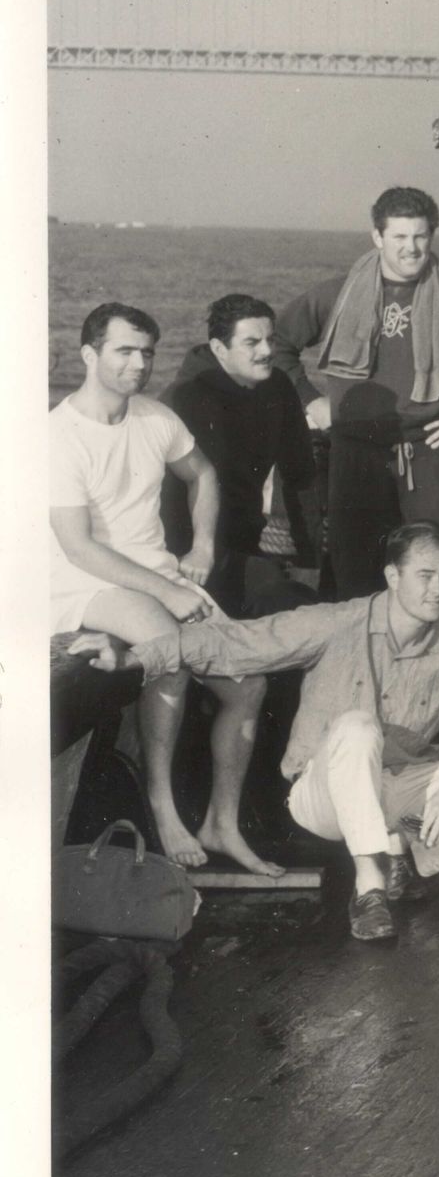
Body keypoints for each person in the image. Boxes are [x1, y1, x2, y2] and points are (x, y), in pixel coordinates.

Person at [108, 524, 439, 943]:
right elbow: (237, 642)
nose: (438, 589)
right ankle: (370, 885)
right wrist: (135, 656)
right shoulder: (338, 622)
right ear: (393, 576)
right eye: (425, 575)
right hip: (323, 795)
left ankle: (402, 853)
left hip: (397, 789)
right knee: (357, 726)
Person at [53, 301, 275, 876]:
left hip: (156, 575)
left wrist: (201, 548)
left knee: (249, 684)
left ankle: (221, 822)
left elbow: (202, 474)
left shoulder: (155, 418)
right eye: (124, 351)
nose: (139, 364)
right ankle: (162, 805)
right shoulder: (58, 436)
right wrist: (168, 592)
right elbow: (78, 547)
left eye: (147, 353)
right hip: (84, 583)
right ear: (89, 354)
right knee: (168, 652)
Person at [271, 186, 439, 599]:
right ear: (377, 237)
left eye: (420, 236)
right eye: (399, 236)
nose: (411, 248)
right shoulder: (338, 294)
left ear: (431, 236)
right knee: (355, 575)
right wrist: (311, 400)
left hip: (429, 454)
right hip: (355, 455)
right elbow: (276, 345)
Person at [165, 291, 318, 619]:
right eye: (252, 343)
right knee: (279, 598)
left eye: (270, 339)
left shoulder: (277, 387)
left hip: (246, 544)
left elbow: (300, 475)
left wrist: (309, 560)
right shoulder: (184, 400)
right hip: (186, 554)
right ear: (220, 349)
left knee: (312, 597)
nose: (267, 351)